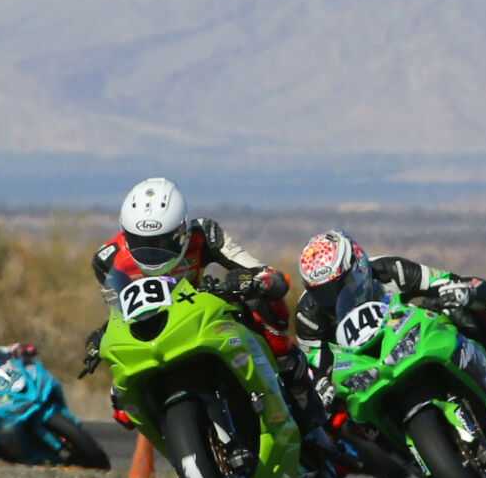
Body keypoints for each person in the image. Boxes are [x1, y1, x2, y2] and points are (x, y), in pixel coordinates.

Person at [81, 178, 318, 428]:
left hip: (204, 316)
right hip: (154, 331)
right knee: (123, 410)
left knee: (266, 305)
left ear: (182, 230)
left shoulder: (205, 234)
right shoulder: (107, 259)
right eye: (141, 242)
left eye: (164, 242)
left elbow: (262, 271)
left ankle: (294, 379)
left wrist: (253, 281)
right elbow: (119, 313)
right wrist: (104, 334)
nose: (152, 252)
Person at [293, 229, 486, 427]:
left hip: (410, 337)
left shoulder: (391, 270)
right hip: (363, 368)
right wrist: (322, 385)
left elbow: (450, 282)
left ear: (359, 265)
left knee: (466, 313)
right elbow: (317, 366)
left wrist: (466, 291)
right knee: (338, 410)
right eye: (322, 293)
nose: (332, 299)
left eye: (341, 285)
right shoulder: (308, 317)